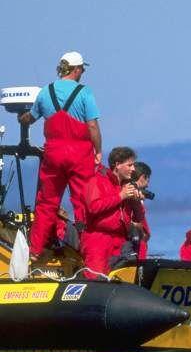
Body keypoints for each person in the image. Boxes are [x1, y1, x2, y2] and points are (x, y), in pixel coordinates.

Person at [20, 51, 103, 261]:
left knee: (47, 203)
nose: (82, 73)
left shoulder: (45, 92)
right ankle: (88, 253)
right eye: (82, 69)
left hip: (54, 155)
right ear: (76, 70)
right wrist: (98, 150)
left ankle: (35, 251)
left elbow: (31, 117)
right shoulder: (85, 93)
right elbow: (92, 126)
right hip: (80, 155)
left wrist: (22, 118)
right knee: (83, 203)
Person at [79, 147, 143, 277]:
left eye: (133, 165)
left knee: (124, 279)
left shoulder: (126, 186)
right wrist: (121, 196)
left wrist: (136, 200)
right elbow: (93, 207)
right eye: (129, 165)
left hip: (120, 241)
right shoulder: (97, 180)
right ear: (117, 165)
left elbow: (139, 218)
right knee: (97, 279)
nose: (133, 169)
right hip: (98, 240)